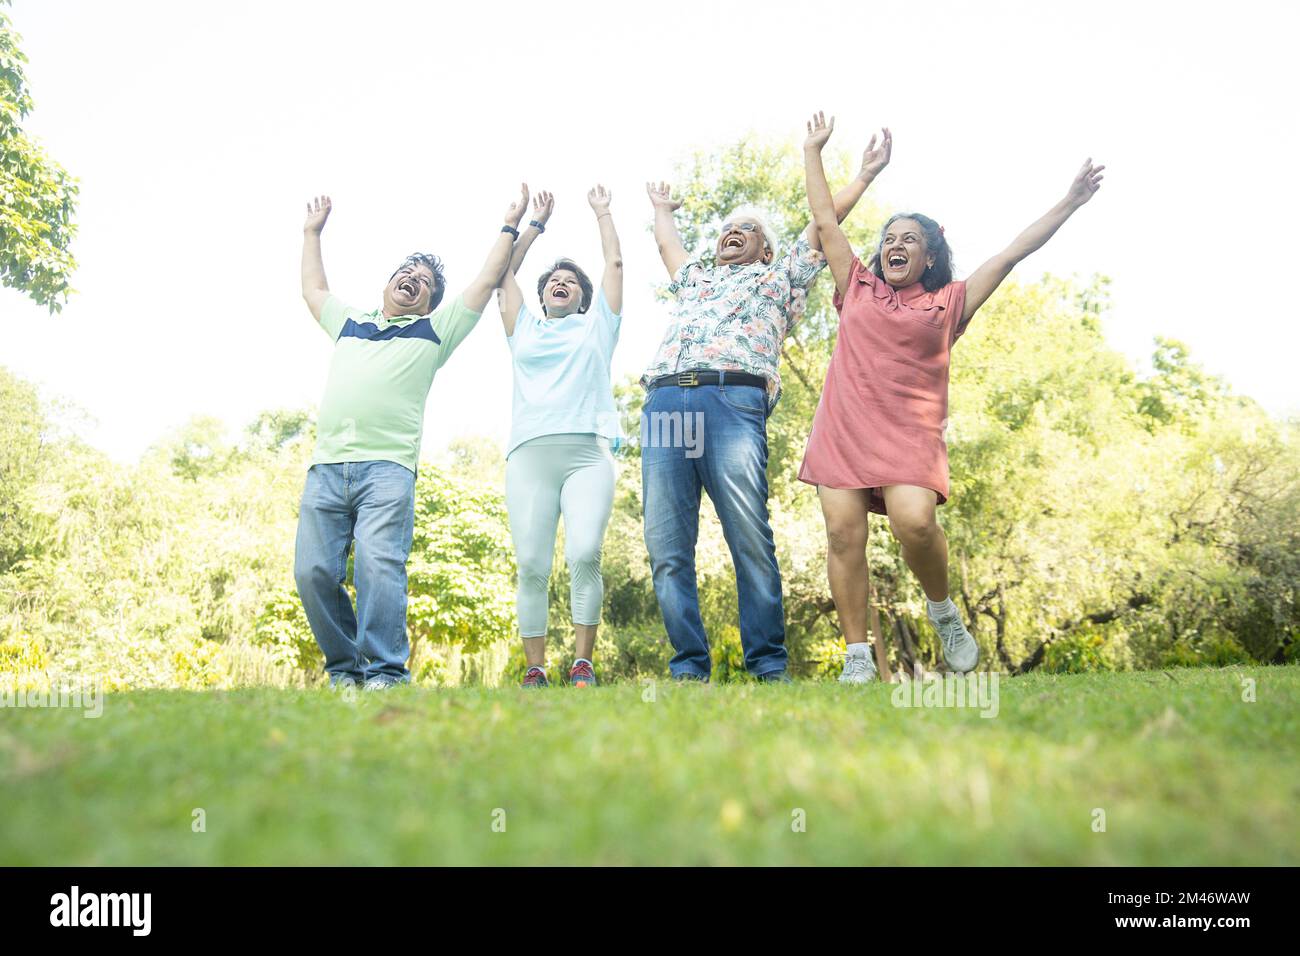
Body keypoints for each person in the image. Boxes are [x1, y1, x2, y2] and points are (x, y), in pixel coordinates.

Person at [799, 111, 1104, 682]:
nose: (895, 245)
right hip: (843, 429)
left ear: (930, 257)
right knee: (843, 535)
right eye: (889, 238)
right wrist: (813, 150)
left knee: (914, 522)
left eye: (909, 240)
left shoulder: (950, 305)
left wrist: (1070, 202)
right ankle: (858, 657)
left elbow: (1012, 252)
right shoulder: (856, 285)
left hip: (910, 434)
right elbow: (822, 218)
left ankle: (943, 613)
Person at [641, 145, 884, 683]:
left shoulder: (779, 279)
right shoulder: (697, 280)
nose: (732, 232)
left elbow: (826, 222)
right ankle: (688, 669)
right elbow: (667, 244)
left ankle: (768, 666)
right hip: (665, 401)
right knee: (666, 545)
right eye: (728, 228)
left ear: (767, 249)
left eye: (746, 229)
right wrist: (661, 206)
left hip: (732, 400)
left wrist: (863, 173)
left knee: (748, 535)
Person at [294, 187, 530, 690]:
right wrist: (312, 233)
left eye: (424, 282)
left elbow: (487, 280)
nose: (413, 281)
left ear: (429, 302)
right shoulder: (351, 323)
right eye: (408, 273)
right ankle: (344, 671)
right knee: (313, 572)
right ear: (389, 283)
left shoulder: (434, 331)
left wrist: (510, 226)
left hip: (387, 471)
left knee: (379, 568)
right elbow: (314, 290)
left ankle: (384, 673)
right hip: (327, 467)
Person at [495, 185, 623, 689]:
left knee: (584, 552)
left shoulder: (598, 328)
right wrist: (534, 225)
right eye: (555, 280)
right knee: (530, 562)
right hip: (529, 457)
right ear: (544, 293)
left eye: (572, 282)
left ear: (582, 297)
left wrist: (603, 213)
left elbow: (615, 266)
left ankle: (582, 663)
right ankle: (535, 667)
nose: (561, 284)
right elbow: (502, 274)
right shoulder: (522, 328)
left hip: (587, 455)